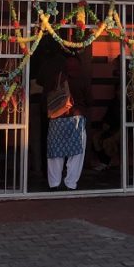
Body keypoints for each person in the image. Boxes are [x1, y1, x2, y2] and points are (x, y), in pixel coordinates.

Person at [42, 50, 91, 190]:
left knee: (55, 154)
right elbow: (90, 100)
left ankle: (54, 184)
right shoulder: (82, 79)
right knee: (76, 153)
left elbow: (45, 96)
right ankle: (70, 184)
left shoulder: (55, 78)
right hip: (76, 118)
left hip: (57, 118)